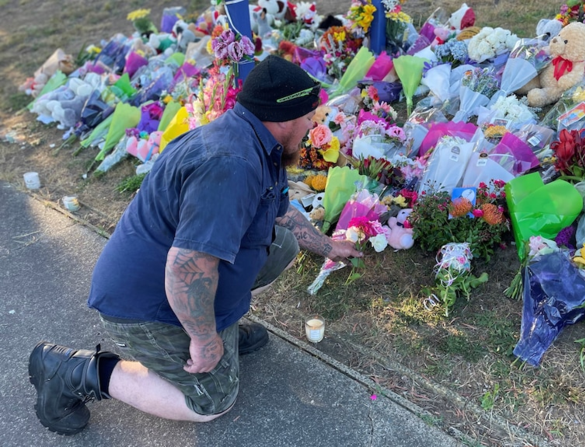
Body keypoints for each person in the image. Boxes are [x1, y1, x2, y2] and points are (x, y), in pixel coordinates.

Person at [28, 55, 362, 436]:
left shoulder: (257, 139)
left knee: (282, 245)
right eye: (309, 116)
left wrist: (328, 246)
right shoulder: (232, 166)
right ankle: (72, 371)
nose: (313, 125)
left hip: (176, 281)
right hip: (145, 307)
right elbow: (186, 266)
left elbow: (280, 214)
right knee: (213, 400)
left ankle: (219, 326)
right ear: (284, 117)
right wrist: (205, 340)